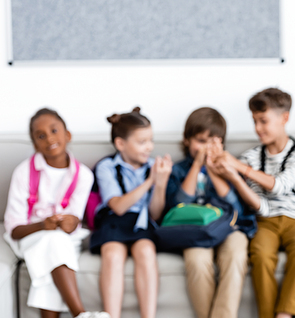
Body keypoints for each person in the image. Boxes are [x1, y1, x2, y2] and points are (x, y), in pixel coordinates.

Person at [212, 88, 295, 318]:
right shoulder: (251, 157)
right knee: (259, 253)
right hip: (266, 220)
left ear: (284, 118)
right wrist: (233, 177)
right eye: (255, 121)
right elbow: (260, 205)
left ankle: (285, 314)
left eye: (263, 121)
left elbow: (280, 185)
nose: (258, 128)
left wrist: (240, 169)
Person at [3, 108, 109, 318]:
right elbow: (14, 230)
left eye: (54, 131)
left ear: (67, 135)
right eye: (41, 136)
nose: (49, 138)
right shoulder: (24, 172)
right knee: (52, 242)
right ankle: (79, 313)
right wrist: (42, 225)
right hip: (30, 236)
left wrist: (68, 223)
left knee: (54, 245)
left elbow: (74, 221)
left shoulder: (83, 176)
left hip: (65, 239)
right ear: (34, 144)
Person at [164, 107, 257, 318]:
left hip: (230, 228)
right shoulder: (178, 170)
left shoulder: (229, 167)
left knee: (236, 254)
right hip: (194, 231)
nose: (205, 148)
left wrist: (216, 172)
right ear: (187, 140)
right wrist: (197, 166)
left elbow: (237, 208)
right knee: (197, 261)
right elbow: (177, 205)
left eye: (212, 141)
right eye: (200, 141)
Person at [89, 107, 172, 318]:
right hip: (114, 222)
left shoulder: (154, 166)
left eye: (151, 141)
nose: (149, 147)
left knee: (146, 251)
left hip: (141, 223)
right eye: (142, 142)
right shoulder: (107, 167)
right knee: (113, 254)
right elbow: (118, 206)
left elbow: (155, 214)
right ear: (120, 144)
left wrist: (160, 185)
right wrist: (150, 181)